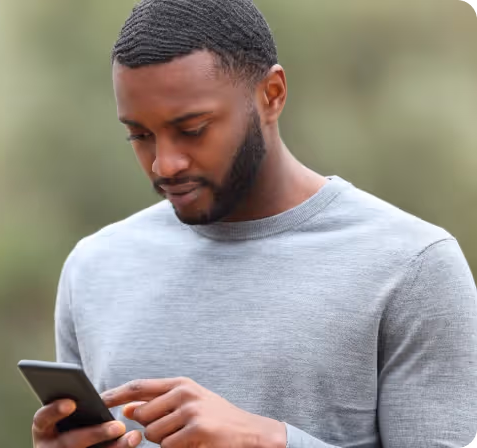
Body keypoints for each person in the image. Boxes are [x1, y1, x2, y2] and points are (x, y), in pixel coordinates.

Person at [29, 0, 477, 447]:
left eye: (192, 128)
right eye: (139, 135)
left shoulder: (413, 266)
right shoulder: (94, 267)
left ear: (272, 94)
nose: (164, 164)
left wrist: (269, 441)